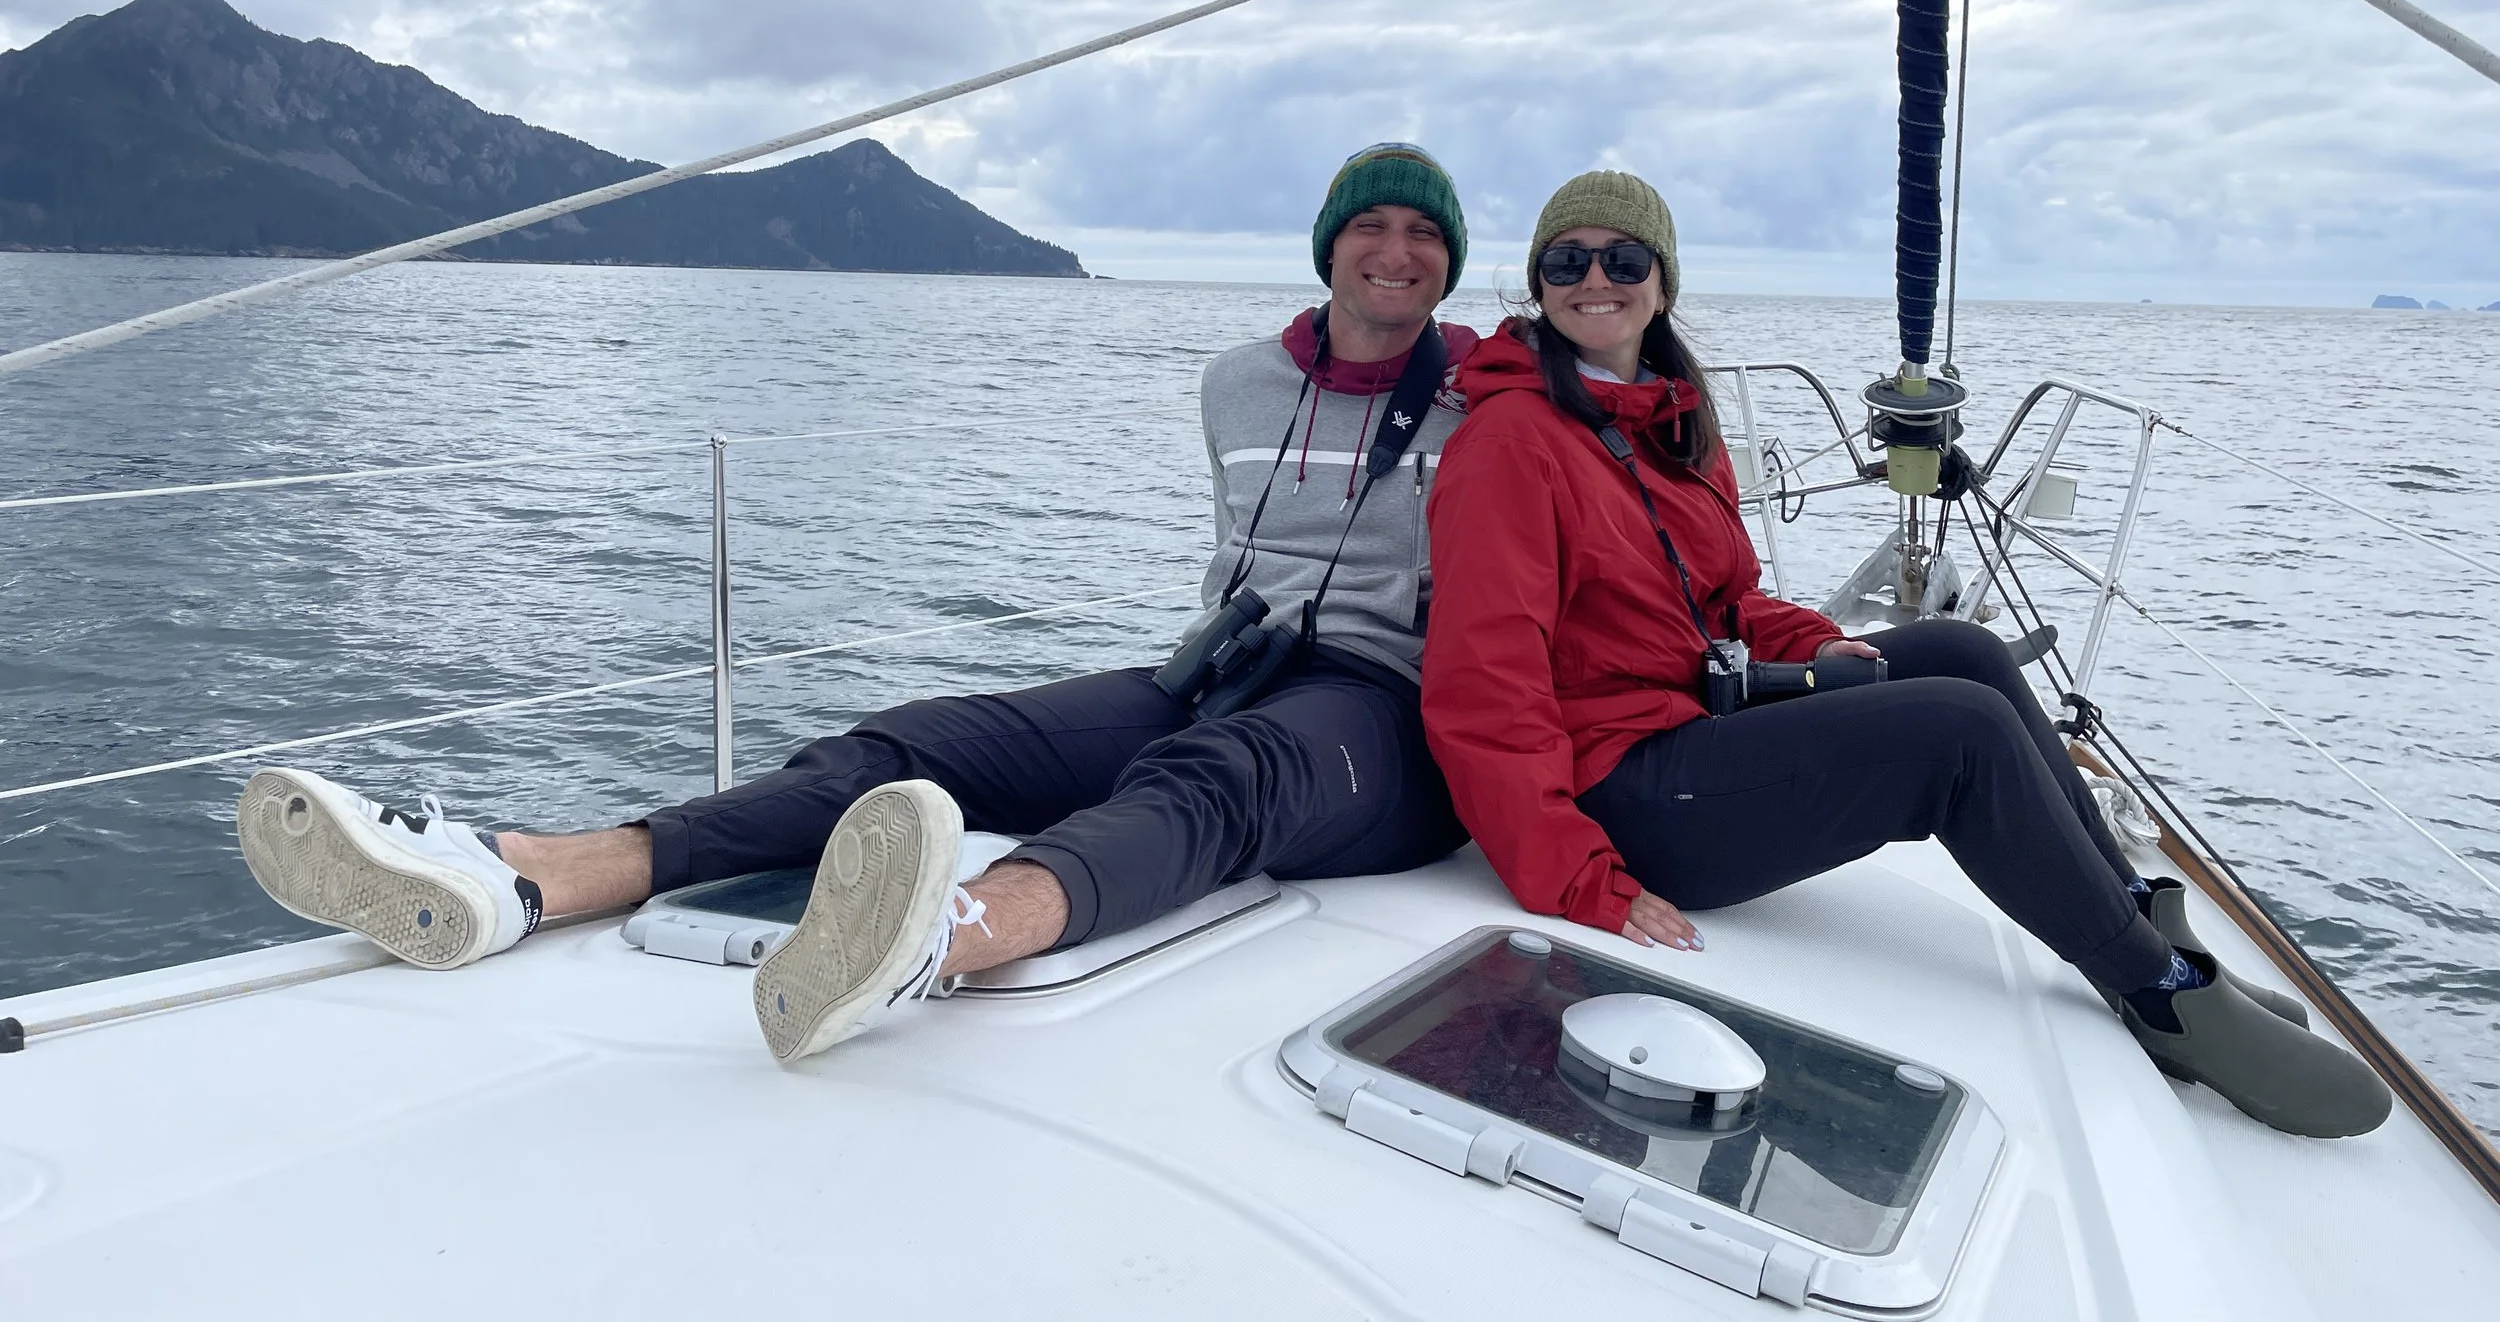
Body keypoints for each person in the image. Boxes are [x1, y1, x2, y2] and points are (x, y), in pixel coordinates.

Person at [237, 143, 1476, 1061]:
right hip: (1217, 671)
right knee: (920, 745)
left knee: (1214, 786)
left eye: (1425, 237)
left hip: (1388, 717)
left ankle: (939, 937)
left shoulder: (1490, 391)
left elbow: (1626, 415)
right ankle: (531, 877)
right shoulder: (1237, 383)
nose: (1397, 253)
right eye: (1372, 225)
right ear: (1327, 246)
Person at [1419, 168, 2390, 1139]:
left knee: (1959, 653)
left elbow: (1727, 599)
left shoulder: (1667, 420)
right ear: (1538, 284)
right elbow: (1480, 685)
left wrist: (1821, 644)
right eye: (1566, 259)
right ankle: (2163, 994)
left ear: (1662, 282)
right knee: (1952, 734)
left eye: (1623, 257)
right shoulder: (1511, 444)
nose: (1596, 277)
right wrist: (1577, 877)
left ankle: (2138, 911)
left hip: (1688, 719)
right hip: (1622, 793)